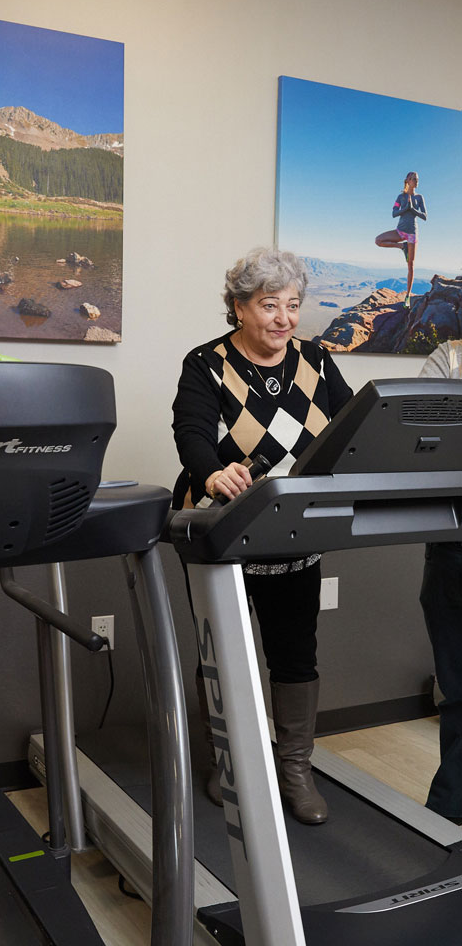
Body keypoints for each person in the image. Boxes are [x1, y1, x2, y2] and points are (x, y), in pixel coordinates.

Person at [172, 247, 352, 825]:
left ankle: (293, 768)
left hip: (292, 527)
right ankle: (228, 764)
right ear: (238, 308)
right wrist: (211, 471)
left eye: (292, 305)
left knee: (295, 650)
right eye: (269, 305)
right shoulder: (206, 364)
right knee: (224, 651)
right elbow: (192, 431)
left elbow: (348, 430)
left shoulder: (317, 362)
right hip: (219, 523)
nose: (283, 318)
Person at [418, 339, 462, 821]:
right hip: (454, 546)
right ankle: (447, 821)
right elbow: (424, 443)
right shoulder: (448, 360)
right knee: (458, 692)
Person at [374, 171, 428, 309]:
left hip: (412, 234)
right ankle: (401, 247)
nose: (416, 181)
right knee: (378, 240)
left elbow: (425, 216)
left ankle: (408, 296)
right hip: (399, 231)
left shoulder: (419, 198)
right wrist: (405, 208)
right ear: (408, 181)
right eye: (414, 179)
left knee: (411, 265)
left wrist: (413, 209)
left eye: (417, 179)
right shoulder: (401, 197)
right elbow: (394, 213)